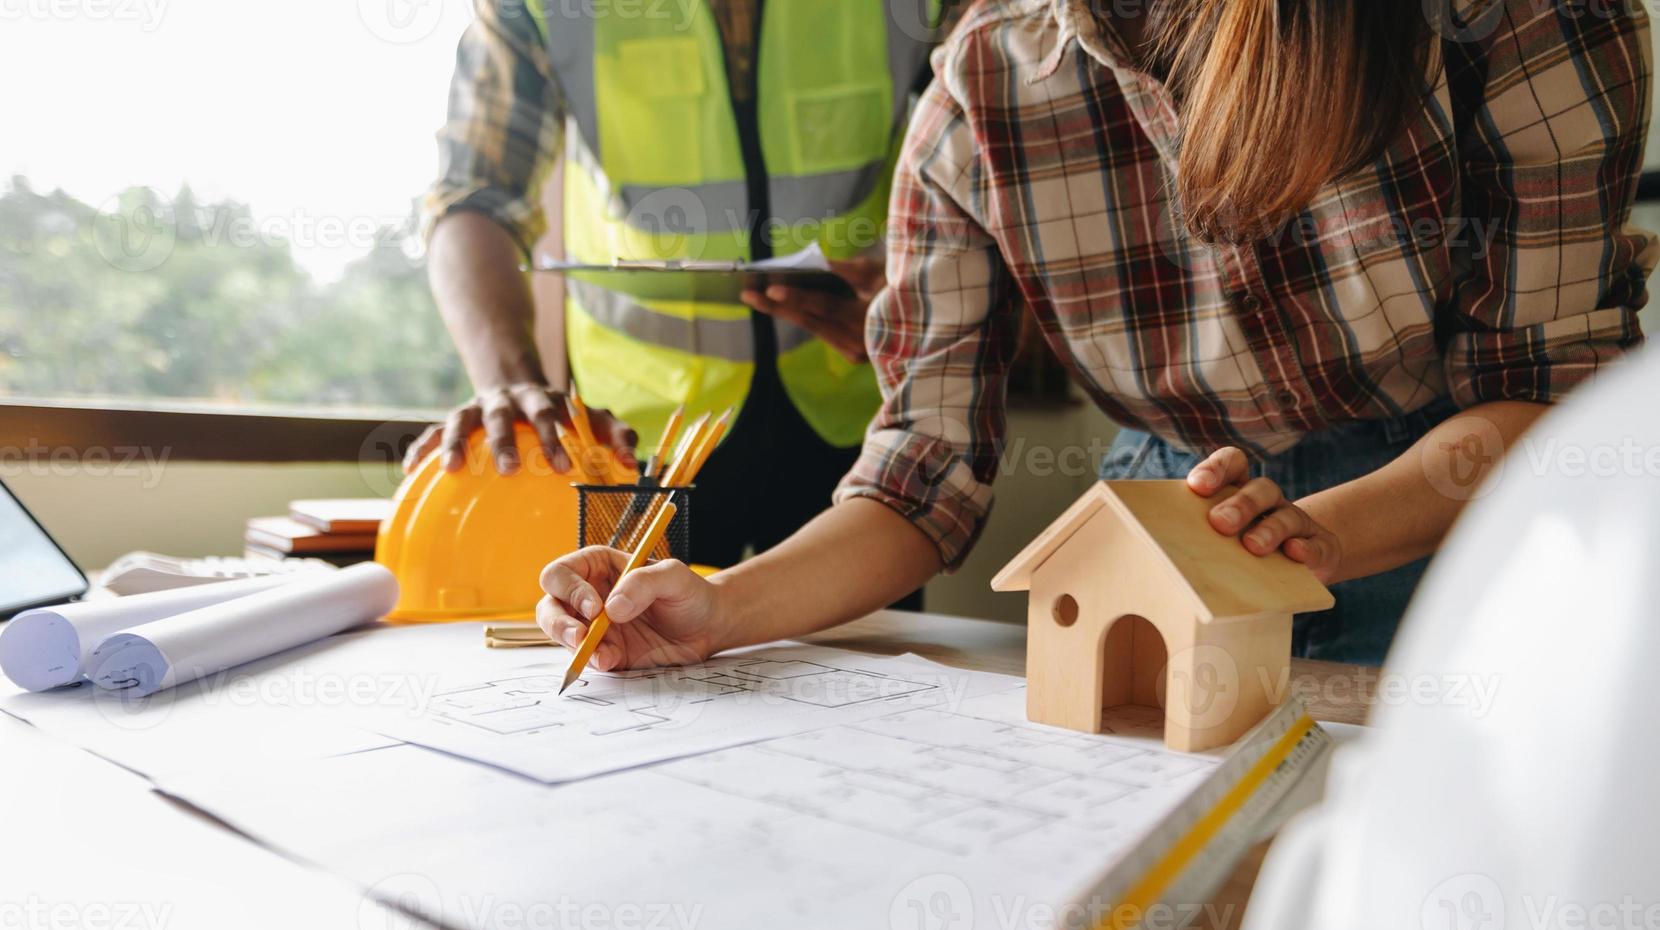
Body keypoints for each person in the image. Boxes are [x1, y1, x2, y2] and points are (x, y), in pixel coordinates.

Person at [536, 0, 1654, 668]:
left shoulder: (1513, 18)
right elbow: (920, 476)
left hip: (1460, 524)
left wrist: (1296, 538)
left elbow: (1544, 396)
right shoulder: (978, 81)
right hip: (1154, 530)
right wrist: (719, 607)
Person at [411, 0, 948, 570]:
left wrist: (926, 293)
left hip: (857, 417)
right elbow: (474, 198)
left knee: (868, 657)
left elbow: (985, 161)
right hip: (637, 439)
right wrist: (509, 381)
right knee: (636, 646)